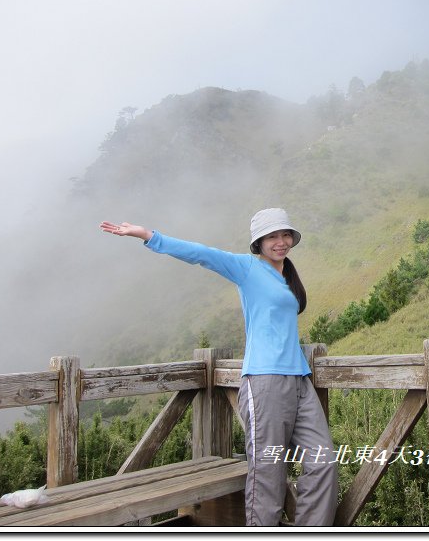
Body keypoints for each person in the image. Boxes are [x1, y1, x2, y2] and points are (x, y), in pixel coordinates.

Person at [100, 208, 338, 526]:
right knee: (269, 471)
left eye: (284, 235)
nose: (280, 242)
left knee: (322, 460)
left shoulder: (287, 276)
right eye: (272, 237)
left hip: (300, 380)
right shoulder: (246, 268)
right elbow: (202, 254)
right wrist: (149, 236)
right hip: (264, 380)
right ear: (259, 243)